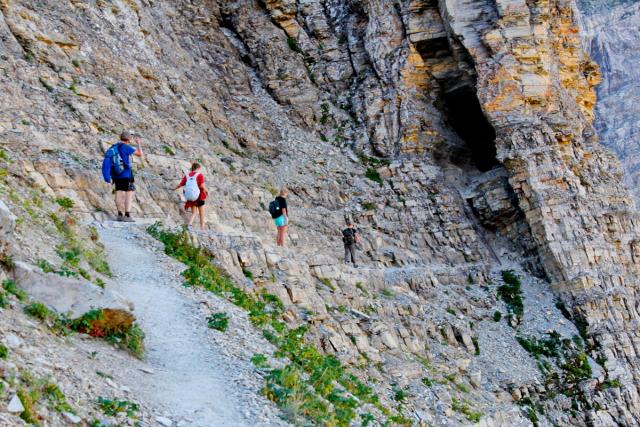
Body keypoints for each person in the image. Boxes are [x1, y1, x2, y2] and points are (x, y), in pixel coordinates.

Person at [109, 131, 143, 222]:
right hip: (126, 174)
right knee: (129, 193)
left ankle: (119, 214)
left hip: (116, 174)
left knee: (118, 192)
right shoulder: (126, 147)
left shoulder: (114, 146)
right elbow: (140, 154)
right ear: (128, 139)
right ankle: (127, 215)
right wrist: (138, 143)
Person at [174, 162, 208, 231]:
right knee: (202, 214)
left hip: (191, 197)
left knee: (194, 213)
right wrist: (207, 191)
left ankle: (189, 225)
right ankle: (202, 229)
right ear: (198, 168)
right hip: (200, 197)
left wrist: (174, 188)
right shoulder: (200, 175)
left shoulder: (187, 176)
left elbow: (180, 184)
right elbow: (201, 186)